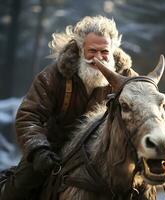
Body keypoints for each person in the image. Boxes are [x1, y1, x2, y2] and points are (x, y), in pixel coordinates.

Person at [0, 15, 136, 200]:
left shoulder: (127, 78)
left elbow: (146, 110)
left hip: (110, 151)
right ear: (80, 50)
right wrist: (39, 151)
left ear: (112, 50)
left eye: (104, 51)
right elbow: (29, 115)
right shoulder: (53, 76)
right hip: (55, 147)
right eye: (92, 51)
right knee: (19, 188)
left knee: (142, 188)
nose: (98, 58)